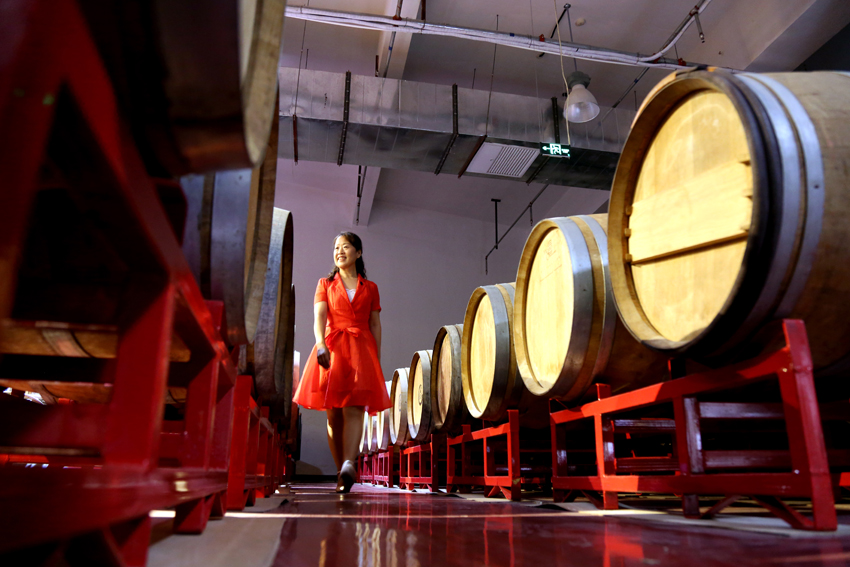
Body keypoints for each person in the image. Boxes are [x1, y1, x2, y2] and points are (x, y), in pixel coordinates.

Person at [292, 232, 390, 493]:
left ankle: (349, 462)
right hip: (332, 347)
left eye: (345, 246)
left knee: (354, 408)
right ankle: (341, 472)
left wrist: (376, 358)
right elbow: (319, 317)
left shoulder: (371, 288)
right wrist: (320, 344)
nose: (340, 251)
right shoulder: (325, 284)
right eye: (336, 247)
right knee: (334, 415)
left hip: (361, 349)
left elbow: (375, 324)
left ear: (358, 252)